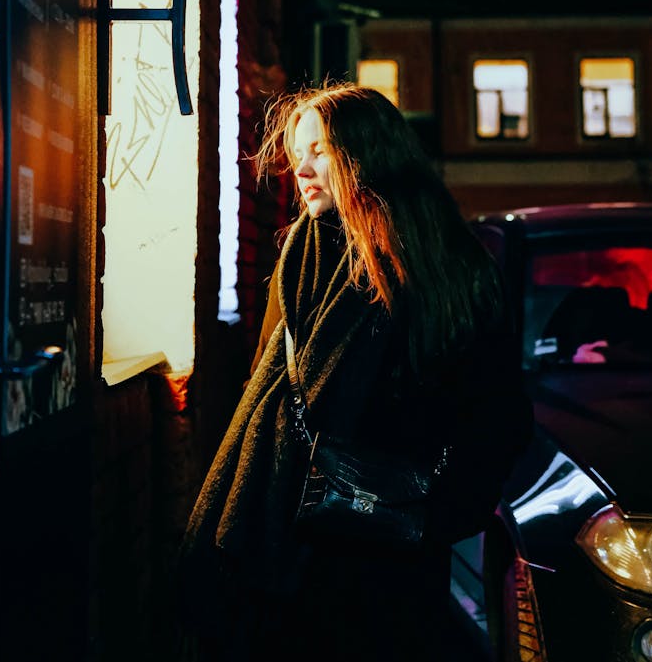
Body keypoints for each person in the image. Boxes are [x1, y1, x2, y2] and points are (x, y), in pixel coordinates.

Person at [177, 82, 533, 662]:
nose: (303, 168)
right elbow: (265, 390)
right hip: (285, 548)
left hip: (386, 557)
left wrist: (435, 515)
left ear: (369, 152)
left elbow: (497, 417)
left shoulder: (446, 267)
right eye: (297, 155)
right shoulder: (298, 254)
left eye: (320, 151)